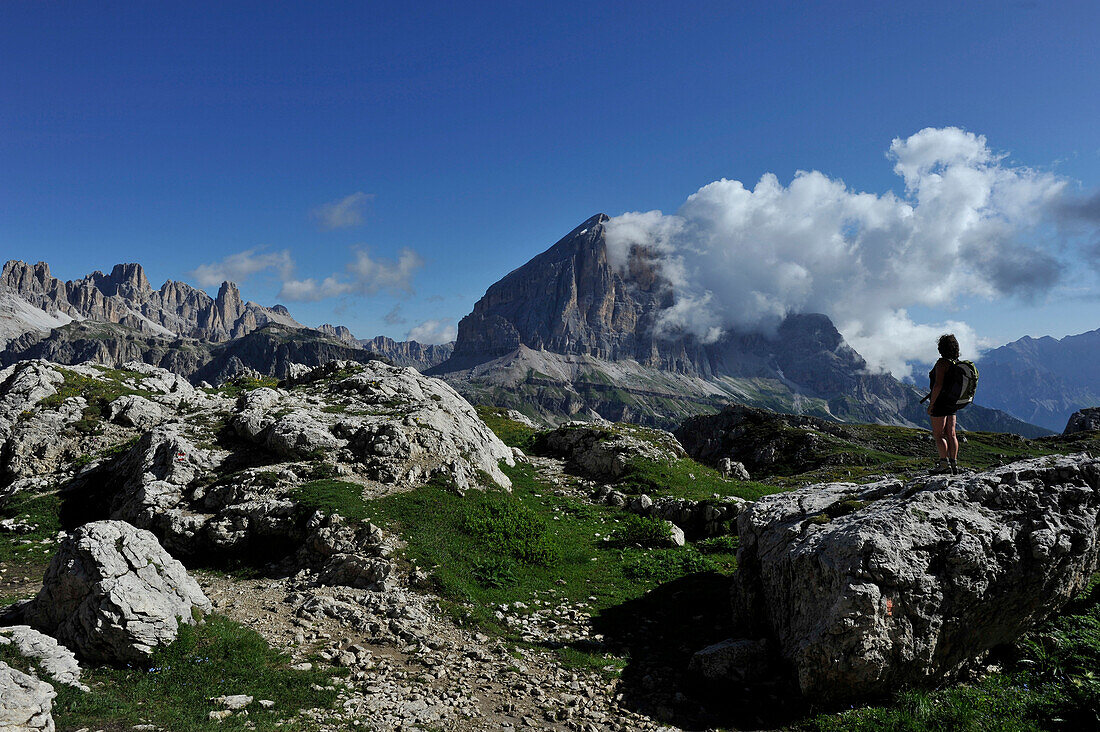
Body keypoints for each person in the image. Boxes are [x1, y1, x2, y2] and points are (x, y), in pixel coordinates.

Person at [927, 334, 961, 474]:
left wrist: (932, 404)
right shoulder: (955, 362)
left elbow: (937, 386)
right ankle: (954, 464)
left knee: (939, 434)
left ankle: (943, 464)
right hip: (952, 402)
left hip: (940, 402)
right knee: (951, 434)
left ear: (941, 348)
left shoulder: (942, 363)